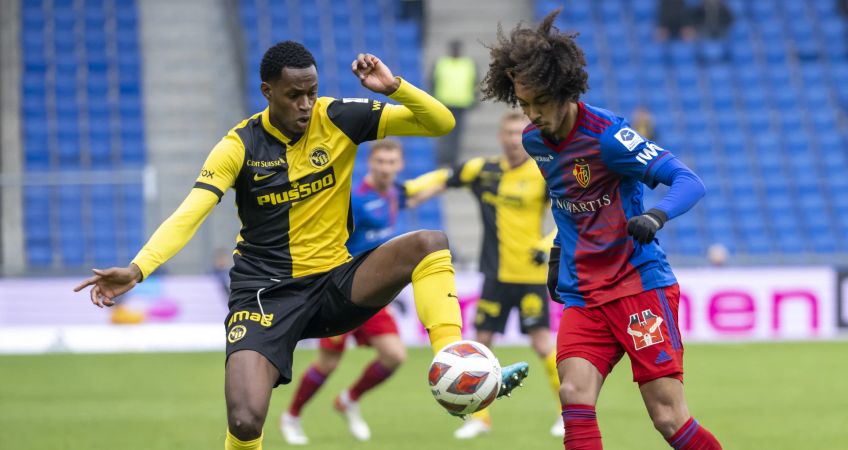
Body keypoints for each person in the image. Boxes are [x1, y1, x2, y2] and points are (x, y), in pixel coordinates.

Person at [73, 41, 528, 450]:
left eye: (312, 92)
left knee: (429, 242)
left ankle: (454, 364)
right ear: (267, 91)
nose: (306, 104)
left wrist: (393, 86)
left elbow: (441, 122)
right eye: (295, 95)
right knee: (246, 419)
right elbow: (190, 212)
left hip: (336, 282)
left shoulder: (340, 117)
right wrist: (138, 268)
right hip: (264, 294)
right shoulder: (239, 145)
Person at [482, 11, 722, 450]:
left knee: (667, 418)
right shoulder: (535, 142)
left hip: (638, 288)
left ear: (564, 90)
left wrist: (655, 216)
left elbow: (689, 181)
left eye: (540, 102)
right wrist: (559, 252)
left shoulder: (609, 136)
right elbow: (568, 201)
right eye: (524, 104)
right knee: (572, 396)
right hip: (584, 296)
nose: (532, 115)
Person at [409, 111, 562, 439]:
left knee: (542, 343)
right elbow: (444, 177)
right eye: (507, 133)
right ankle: (481, 417)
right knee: (479, 345)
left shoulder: (543, 173)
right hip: (495, 274)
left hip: (531, 275)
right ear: (500, 137)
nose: (512, 139)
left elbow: (567, 215)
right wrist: (409, 190)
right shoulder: (485, 169)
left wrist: (547, 244)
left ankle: (567, 412)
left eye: (518, 133)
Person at [280, 139, 428, 445]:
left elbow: (419, 194)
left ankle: (348, 399)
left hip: (374, 293)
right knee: (328, 363)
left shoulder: (393, 193)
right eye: (381, 161)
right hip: (341, 292)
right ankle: (292, 416)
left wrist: (455, 179)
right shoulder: (355, 199)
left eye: (392, 162)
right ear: (370, 163)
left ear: (399, 165)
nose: (386, 167)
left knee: (394, 356)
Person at [430, 39, 478, 167]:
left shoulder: (468, 64)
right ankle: (443, 159)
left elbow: (475, 83)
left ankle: (453, 160)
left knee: (457, 135)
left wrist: (475, 99)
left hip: (461, 104)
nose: (456, 51)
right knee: (444, 133)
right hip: (444, 104)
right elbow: (432, 83)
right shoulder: (441, 63)